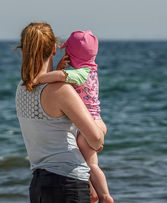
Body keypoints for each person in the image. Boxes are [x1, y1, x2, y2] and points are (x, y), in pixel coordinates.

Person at [16, 22, 105, 203]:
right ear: (55, 50)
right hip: (69, 183)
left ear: (23, 50)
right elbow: (95, 139)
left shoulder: (22, 88)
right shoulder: (62, 90)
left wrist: (57, 73)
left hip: (38, 185)